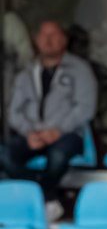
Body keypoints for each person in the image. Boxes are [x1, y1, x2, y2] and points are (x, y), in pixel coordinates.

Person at [0, 18, 96, 214]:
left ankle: (41, 198)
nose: (48, 40)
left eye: (53, 35)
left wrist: (57, 131)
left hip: (68, 135)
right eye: (44, 35)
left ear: (64, 40)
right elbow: (14, 111)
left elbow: (86, 107)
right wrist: (30, 133)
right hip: (33, 135)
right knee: (5, 154)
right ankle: (47, 196)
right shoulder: (26, 73)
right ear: (36, 40)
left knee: (58, 156)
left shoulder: (80, 70)